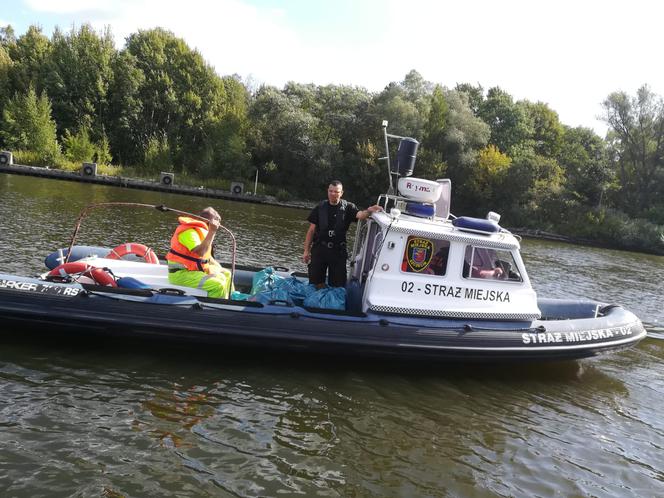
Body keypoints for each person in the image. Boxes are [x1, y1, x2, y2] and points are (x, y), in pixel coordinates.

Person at [303, 181, 382, 288]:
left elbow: (361, 215)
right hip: (320, 249)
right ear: (328, 191)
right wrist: (306, 251)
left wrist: (369, 211)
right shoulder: (320, 207)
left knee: (338, 284)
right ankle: (316, 300)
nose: (333, 194)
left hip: (337, 251)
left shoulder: (348, 207)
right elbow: (311, 231)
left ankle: (333, 302)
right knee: (315, 282)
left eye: (336, 192)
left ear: (341, 193)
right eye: (330, 191)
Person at [166, 206, 232, 298]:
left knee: (227, 274)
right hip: (181, 274)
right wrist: (212, 232)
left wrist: (218, 267)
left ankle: (232, 301)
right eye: (216, 222)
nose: (218, 226)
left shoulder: (201, 231)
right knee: (218, 285)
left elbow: (206, 256)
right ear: (208, 221)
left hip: (196, 270)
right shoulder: (189, 232)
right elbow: (200, 252)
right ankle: (216, 308)